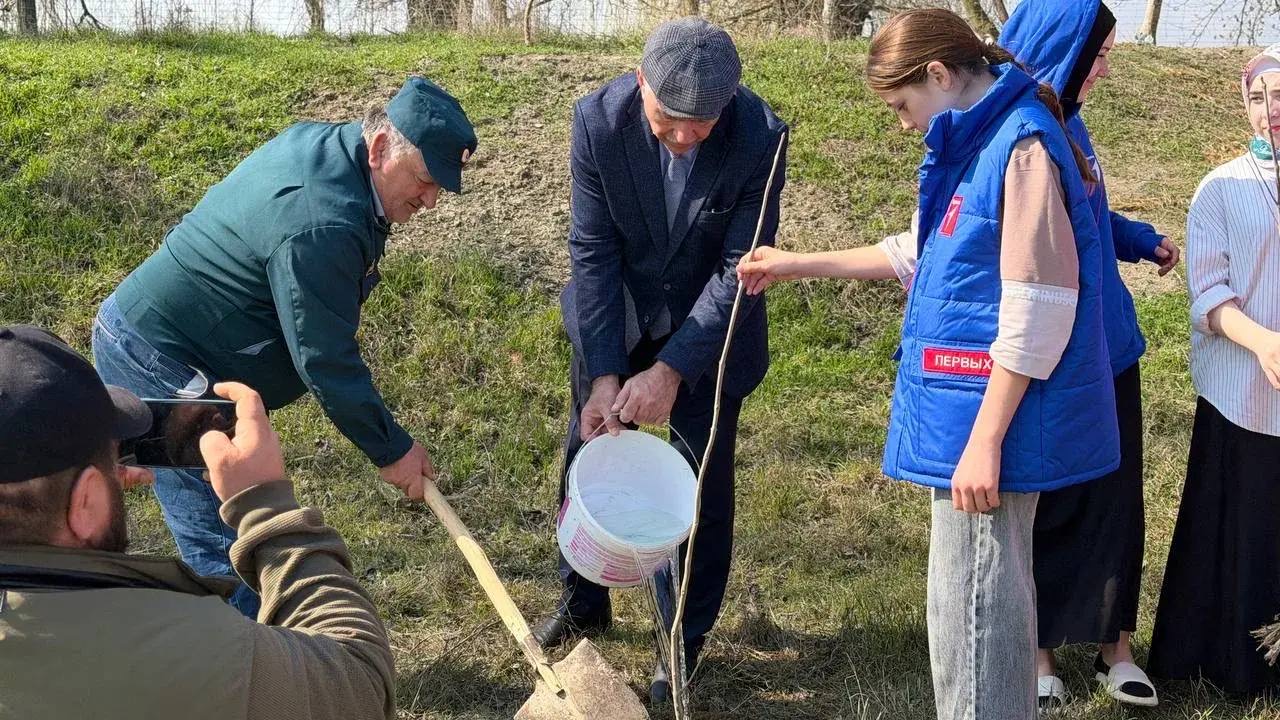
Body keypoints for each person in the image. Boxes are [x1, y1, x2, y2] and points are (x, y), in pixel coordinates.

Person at [737, 9, 1119, 718]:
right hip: (968, 421)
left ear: (940, 75)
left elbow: (1039, 308)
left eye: (902, 105)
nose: (902, 122)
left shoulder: (1021, 146)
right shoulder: (978, 140)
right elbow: (924, 251)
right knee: (966, 610)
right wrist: (797, 265)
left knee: (977, 618)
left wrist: (986, 440)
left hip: (989, 428)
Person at [92, 76, 477, 615]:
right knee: (222, 530)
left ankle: (252, 652)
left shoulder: (329, 151)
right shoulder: (323, 222)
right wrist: (392, 450)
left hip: (169, 338)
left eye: (440, 186)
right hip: (159, 355)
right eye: (423, 179)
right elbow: (324, 358)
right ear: (379, 147)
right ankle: (249, 675)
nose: (431, 200)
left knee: (230, 517)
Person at [532, 16, 788, 703]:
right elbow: (592, 250)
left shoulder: (762, 134)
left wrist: (673, 369)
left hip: (711, 333)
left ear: (727, 105)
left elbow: (741, 268)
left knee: (697, 482)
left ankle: (680, 638)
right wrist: (607, 372)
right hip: (618, 312)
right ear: (640, 81)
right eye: (668, 119)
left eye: (699, 126)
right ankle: (583, 599)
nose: (682, 136)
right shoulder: (596, 123)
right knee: (588, 451)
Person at [0, 325, 395, 720]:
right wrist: (265, 502)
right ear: (84, 503)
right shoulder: (182, 649)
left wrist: (94, 492)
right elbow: (359, 683)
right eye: (112, 456)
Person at [999, 0, 1180, 708]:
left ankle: (1116, 650)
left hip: (1111, 350)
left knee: (1115, 503)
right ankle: (1038, 653)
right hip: (1049, 357)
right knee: (1049, 506)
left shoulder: (1072, 124)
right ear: (1060, 47)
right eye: (1098, 54)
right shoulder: (1017, 133)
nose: (1105, 67)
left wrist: (1139, 239)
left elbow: (1091, 219)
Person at [1147, 45, 1280, 696]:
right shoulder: (1221, 186)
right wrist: (1264, 344)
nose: (1271, 110)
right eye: (1259, 98)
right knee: (1248, 529)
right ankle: (1240, 666)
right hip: (1244, 392)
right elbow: (1208, 292)